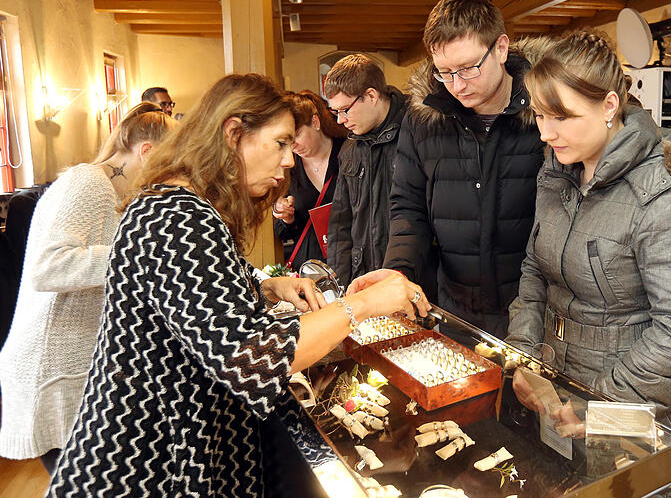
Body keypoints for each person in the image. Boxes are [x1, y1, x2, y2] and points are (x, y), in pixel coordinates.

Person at [45, 73, 430, 498]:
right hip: (153, 460)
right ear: (233, 134)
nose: (288, 161)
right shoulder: (178, 217)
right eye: (280, 142)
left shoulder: (182, 206)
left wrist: (268, 288)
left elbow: (195, 303)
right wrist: (367, 305)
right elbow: (249, 360)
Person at [505, 31, 671, 439]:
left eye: (562, 117)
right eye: (539, 115)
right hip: (559, 390)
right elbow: (536, 269)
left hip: (630, 409)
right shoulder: (558, 171)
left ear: (609, 105)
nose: (545, 134)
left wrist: (601, 406)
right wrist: (524, 355)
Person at [0, 102, 176, 473]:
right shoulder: (89, 182)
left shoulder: (114, 192)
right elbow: (48, 267)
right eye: (170, 161)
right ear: (146, 151)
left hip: (75, 370)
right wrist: (140, 254)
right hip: (51, 367)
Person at [380, 0, 545, 338]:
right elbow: (408, 208)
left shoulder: (547, 111)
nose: (457, 85)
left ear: (501, 48)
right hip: (455, 309)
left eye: (469, 68)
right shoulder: (423, 119)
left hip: (535, 310)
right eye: (444, 73)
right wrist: (399, 273)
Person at [322, 54, 408, 286]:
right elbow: (340, 224)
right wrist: (339, 286)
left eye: (345, 110)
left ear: (371, 96)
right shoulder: (350, 148)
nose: (340, 120)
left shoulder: (417, 131)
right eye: (335, 112)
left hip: (410, 277)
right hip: (364, 279)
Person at [272, 91, 347, 267]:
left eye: (297, 135)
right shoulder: (290, 168)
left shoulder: (348, 152)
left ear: (315, 122)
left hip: (352, 258)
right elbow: (284, 232)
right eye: (287, 140)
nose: (293, 146)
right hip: (312, 268)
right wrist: (286, 218)